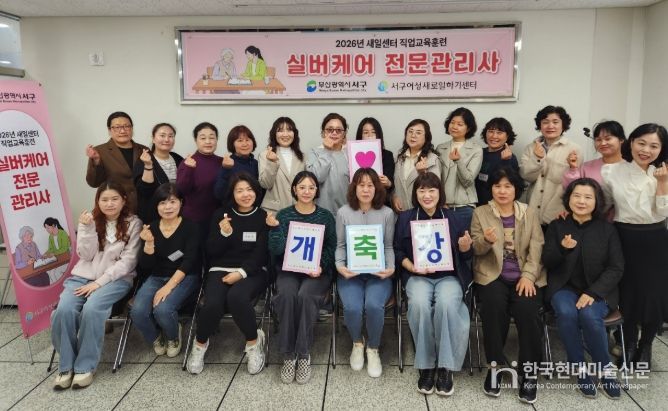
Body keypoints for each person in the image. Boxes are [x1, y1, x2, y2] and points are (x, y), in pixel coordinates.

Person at [51, 181, 141, 390]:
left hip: (116, 279)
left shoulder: (134, 223)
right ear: (97, 201)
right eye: (104, 199)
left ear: (124, 200)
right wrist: (86, 228)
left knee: (92, 308)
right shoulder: (90, 220)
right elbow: (86, 255)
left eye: (114, 199)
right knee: (63, 310)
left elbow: (128, 262)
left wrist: (98, 283)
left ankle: (85, 366)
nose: (110, 204)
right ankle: (66, 366)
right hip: (82, 277)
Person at [543, 178, 623, 399]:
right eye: (576, 196)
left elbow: (616, 267)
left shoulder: (607, 230)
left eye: (588, 197)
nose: (581, 201)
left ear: (597, 202)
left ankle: (605, 371)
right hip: (564, 287)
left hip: (598, 290)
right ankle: (580, 370)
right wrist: (562, 249)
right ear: (568, 199)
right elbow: (547, 261)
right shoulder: (557, 226)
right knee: (566, 312)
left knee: (589, 315)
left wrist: (593, 292)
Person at [470, 167, 544, 404]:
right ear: (491, 189)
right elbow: (475, 249)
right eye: (497, 186)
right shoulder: (480, 212)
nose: (502, 191)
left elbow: (537, 248)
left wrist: (529, 276)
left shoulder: (528, 212)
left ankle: (529, 372)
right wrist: (485, 240)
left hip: (524, 275)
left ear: (516, 189)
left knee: (527, 311)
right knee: (492, 308)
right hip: (492, 274)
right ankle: (495, 367)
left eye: (507, 186)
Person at [394, 172, 472, 397]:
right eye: (422, 190)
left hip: (448, 276)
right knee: (418, 303)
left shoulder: (454, 218)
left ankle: (446, 366)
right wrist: (412, 267)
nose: (427, 195)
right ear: (415, 193)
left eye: (432, 190)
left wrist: (466, 248)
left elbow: (467, 257)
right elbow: (397, 250)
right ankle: (427, 365)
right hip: (418, 275)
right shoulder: (406, 218)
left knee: (447, 304)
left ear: (440, 193)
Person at [187, 173, 269, 375]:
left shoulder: (262, 216)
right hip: (220, 268)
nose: (245, 194)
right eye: (240, 190)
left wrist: (241, 273)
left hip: (253, 271)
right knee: (212, 304)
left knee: (237, 297)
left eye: (249, 190)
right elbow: (211, 251)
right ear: (232, 193)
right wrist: (224, 234)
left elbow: (261, 254)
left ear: (256, 192)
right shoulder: (221, 215)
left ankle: (253, 342)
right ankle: (200, 344)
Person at [601, 123, 668, 370]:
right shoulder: (611, 171)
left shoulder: (663, 172)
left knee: (654, 296)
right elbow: (604, 205)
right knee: (627, 294)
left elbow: (664, 211)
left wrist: (663, 183)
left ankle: (646, 344)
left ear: (661, 149)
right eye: (641, 143)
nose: (646, 150)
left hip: (655, 239)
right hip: (623, 237)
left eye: (654, 146)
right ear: (631, 142)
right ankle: (628, 343)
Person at [267, 171, 336, 384]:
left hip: (316, 272)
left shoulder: (325, 216)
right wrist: (275, 229)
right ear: (294, 189)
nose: (307, 191)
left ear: (317, 190)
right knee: (287, 295)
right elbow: (276, 250)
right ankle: (289, 354)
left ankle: (303, 353)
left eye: (311, 187)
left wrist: (320, 266)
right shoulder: (283, 215)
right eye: (302, 187)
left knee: (306, 295)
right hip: (289, 270)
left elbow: (332, 247)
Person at [335, 168, 395, 378]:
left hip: (378, 274)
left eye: (370, 185)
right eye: (361, 185)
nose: (366, 189)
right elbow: (340, 245)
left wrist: (391, 267)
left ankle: (373, 348)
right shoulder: (343, 212)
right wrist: (340, 266)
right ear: (354, 188)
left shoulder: (387, 213)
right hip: (351, 273)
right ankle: (357, 343)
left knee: (373, 305)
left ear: (377, 188)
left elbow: (388, 246)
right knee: (352, 307)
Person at [130, 183, 201, 358]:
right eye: (162, 203)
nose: (168, 207)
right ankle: (155, 337)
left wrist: (168, 287)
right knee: (137, 312)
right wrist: (148, 244)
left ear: (181, 203)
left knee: (163, 310)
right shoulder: (151, 228)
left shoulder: (191, 227)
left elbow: (189, 262)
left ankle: (173, 336)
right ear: (156, 206)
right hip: (157, 276)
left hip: (186, 276)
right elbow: (146, 266)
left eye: (172, 201)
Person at [519, 105, 583, 228]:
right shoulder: (530, 148)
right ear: (540, 125)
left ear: (563, 125)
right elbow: (526, 176)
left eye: (555, 122)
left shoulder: (574, 149)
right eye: (545, 122)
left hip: (559, 213)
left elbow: (575, 184)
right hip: (532, 211)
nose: (550, 126)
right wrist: (537, 158)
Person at [85, 111, 148, 213]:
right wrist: (96, 161)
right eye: (117, 127)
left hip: (143, 206)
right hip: (116, 209)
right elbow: (94, 183)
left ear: (132, 128)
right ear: (109, 130)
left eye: (126, 126)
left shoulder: (144, 150)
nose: (122, 131)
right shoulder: (99, 151)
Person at [436, 107, 483, 230]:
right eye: (452, 122)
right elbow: (436, 178)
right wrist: (440, 201)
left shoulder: (476, 149)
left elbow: (468, 180)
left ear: (469, 128)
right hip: (441, 205)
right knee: (443, 241)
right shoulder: (440, 148)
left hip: (464, 207)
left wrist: (458, 161)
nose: (454, 127)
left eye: (460, 124)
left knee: (463, 241)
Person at [176, 122, 223, 240]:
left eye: (212, 137)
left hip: (219, 219)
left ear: (217, 140)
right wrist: (189, 169)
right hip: (193, 220)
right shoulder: (188, 162)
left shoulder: (223, 162)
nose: (208, 141)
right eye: (203, 138)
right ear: (196, 140)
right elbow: (181, 190)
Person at [133, 123, 184, 223]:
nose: (167, 139)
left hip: (176, 215)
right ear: (153, 139)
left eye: (171, 136)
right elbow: (145, 191)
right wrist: (148, 165)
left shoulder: (178, 158)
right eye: (162, 135)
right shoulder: (144, 160)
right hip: (153, 216)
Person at [392, 119, 441, 213]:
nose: (413, 135)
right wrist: (394, 197)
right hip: (402, 213)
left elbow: (436, 189)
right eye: (410, 131)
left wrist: (423, 173)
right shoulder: (399, 157)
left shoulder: (432, 159)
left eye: (418, 133)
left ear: (426, 137)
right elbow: (396, 184)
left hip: (423, 213)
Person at [259, 117, 306, 213]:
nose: (285, 134)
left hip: (298, 210)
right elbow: (265, 184)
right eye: (280, 130)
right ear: (274, 134)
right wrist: (272, 162)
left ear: (294, 133)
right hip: (273, 212)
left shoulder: (302, 157)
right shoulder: (265, 155)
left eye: (289, 130)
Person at [306, 113, 350, 215]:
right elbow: (316, 178)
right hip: (320, 214)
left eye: (338, 130)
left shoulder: (350, 153)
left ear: (344, 134)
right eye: (330, 130)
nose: (334, 133)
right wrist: (327, 150)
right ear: (323, 133)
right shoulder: (314, 152)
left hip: (346, 212)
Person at [476, 117, 520, 206]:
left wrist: (506, 162)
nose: (494, 136)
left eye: (499, 133)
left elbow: (512, 186)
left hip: (497, 206)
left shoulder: (510, 158)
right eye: (491, 131)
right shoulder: (478, 153)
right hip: (474, 205)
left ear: (507, 136)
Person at [214, 125, 259, 204]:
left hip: (253, 208)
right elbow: (219, 194)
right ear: (232, 144)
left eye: (247, 140)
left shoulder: (256, 163)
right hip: (232, 209)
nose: (245, 144)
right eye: (240, 140)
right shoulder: (226, 163)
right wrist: (225, 169)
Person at [355, 117, 395, 206]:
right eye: (366, 132)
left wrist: (388, 183)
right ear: (360, 136)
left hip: (381, 202)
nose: (370, 135)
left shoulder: (387, 155)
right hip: (358, 203)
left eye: (373, 132)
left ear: (378, 135)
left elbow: (391, 183)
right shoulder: (352, 154)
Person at [43, 217, 71, 284]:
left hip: (66, 259)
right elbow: (50, 248)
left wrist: (54, 254)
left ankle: (61, 286)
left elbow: (64, 249)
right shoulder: (51, 236)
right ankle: (55, 288)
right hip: (58, 260)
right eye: (46, 228)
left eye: (48, 228)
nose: (47, 230)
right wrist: (45, 254)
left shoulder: (63, 233)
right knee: (49, 272)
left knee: (56, 272)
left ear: (53, 225)